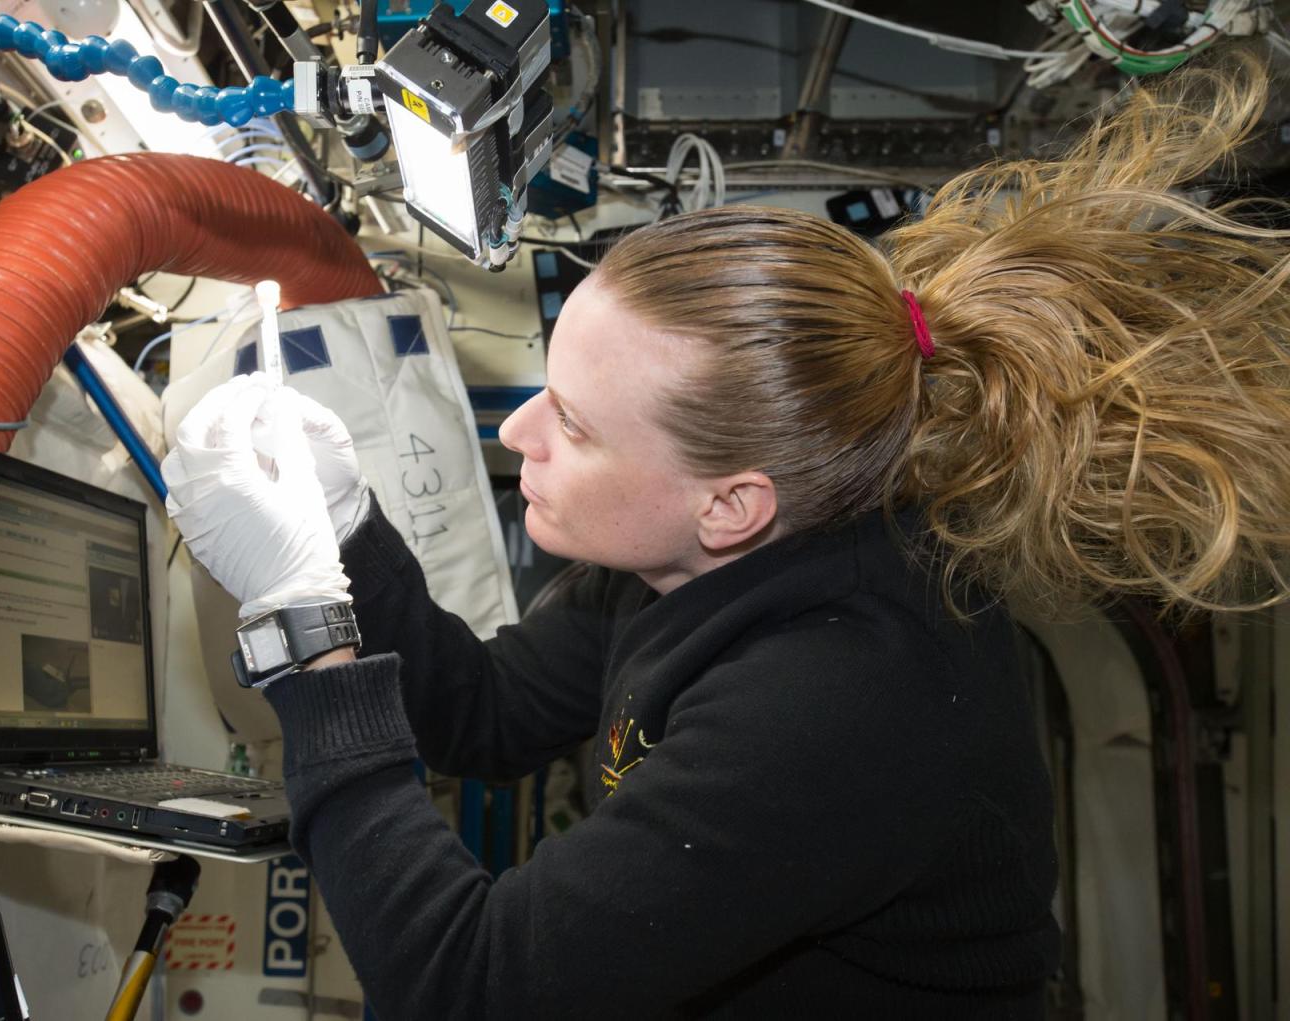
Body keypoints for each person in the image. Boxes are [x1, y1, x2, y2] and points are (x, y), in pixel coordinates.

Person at [162, 59, 1290, 1019]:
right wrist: (347, 525)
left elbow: (473, 984)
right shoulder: (688, 567)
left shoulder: (842, 701)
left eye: (577, 424)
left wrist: (309, 634)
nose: (520, 432)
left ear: (731, 504)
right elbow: (487, 716)